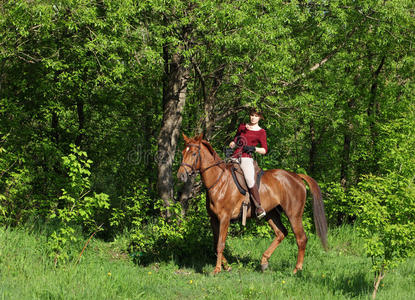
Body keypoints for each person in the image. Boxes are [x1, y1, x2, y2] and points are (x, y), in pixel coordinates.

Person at [228, 108, 267, 219]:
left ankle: (259, 207)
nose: (253, 117)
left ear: (260, 117)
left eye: (255, 116)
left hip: (246, 158)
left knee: (250, 180)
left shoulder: (261, 132)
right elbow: (236, 140)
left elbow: (264, 150)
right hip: (233, 157)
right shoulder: (242, 127)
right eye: (251, 115)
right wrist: (232, 144)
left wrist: (254, 149)